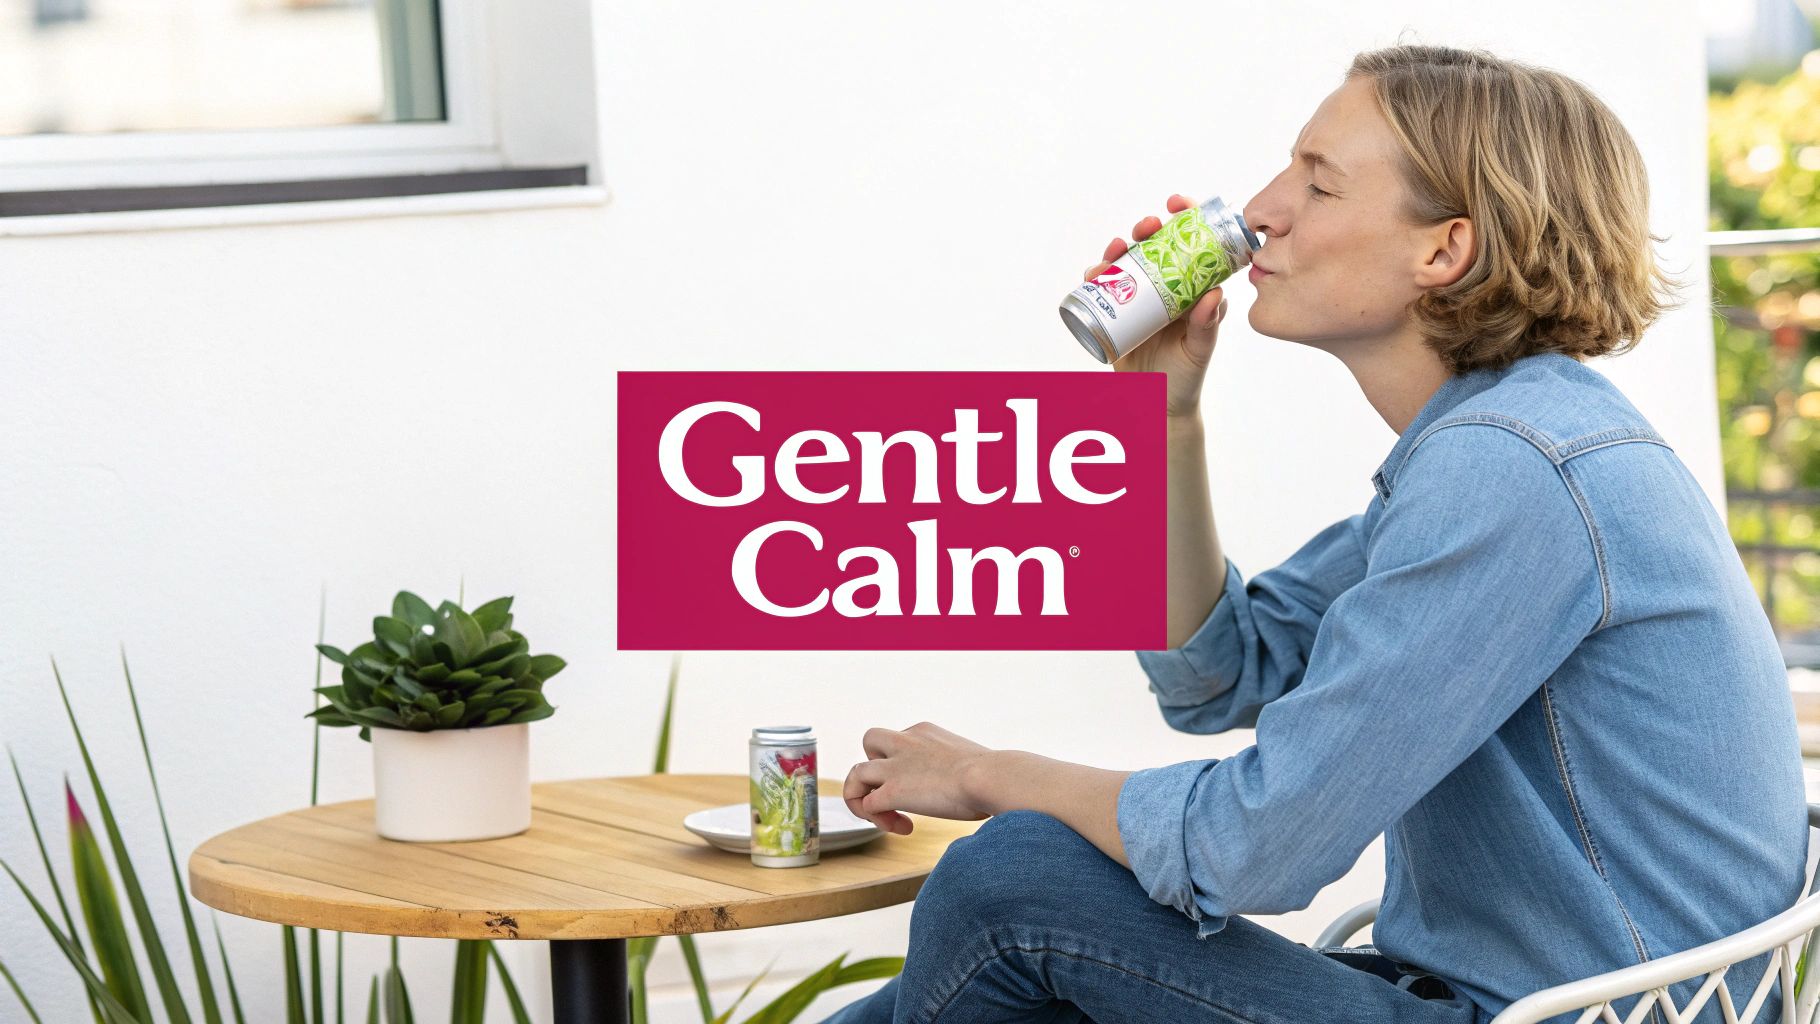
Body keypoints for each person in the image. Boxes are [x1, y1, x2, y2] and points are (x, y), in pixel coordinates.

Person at [822, 43, 1809, 1024]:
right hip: (1475, 993)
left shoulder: (1515, 469)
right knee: (950, 970)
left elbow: (1253, 845)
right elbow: (1213, 678)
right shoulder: (1500, 440)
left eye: (1318, 184)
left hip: (1571, 1014)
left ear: (1442, 249)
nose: (1260, 211)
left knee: (1016, 883)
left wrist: (983, 772)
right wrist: (1163, 417)